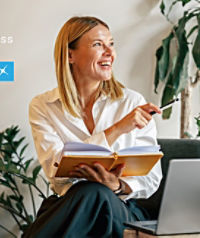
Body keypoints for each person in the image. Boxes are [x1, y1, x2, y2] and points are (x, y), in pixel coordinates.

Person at [23, 16, 163, 238]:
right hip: (69, 205)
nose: (109, 52)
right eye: (98, 44)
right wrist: (117, 129)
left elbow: (152, 178)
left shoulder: (133, 102)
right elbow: (55, 172)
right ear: (70, 55)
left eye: (111, 44)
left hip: (121, 208)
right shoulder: (43, 106)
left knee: (97, 191)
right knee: (90, 191)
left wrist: (116, 185)